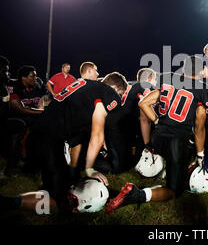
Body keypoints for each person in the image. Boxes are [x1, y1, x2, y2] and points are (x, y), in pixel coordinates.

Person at [0, 71, 126, 213]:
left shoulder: (85, 84)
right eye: (120, 94)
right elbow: (96, 136)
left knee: (61, 181)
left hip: (39, 133)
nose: (118, 98)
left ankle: (59, 180)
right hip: (49, 138)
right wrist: (90, 169)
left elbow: (84, 129)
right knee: (59, 201)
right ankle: (6, 204)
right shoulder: (108, 93)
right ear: (115, 88)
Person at [105, 55, 207, 213]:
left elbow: (143, 103)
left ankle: (169, 169)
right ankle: (136, 194)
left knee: (179, 155)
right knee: (175, 191)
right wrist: (201, 154)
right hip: (176, 142)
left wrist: (157, 121)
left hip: (157, 137)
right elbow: (199, 126)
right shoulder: (201, 88)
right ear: (199, 70)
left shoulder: (168, 78)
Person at [95, 68, 157, 173]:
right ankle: (90, 161)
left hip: (121, 131)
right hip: (115, 132)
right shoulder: (140, 87)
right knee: (118, 169)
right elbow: (144, 117)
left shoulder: (134, 88)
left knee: (128, 165)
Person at [5, 65, 46, 176]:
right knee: (20, 125)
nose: (35, 78)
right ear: (24, 78)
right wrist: (42, 112)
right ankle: (12, 164)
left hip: (21, 116)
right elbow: (19, 109)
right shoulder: (14, 86)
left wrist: (41, 109)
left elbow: (43, 98)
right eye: (32, 76)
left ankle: (31, 157)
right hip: (8, 117)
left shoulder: (31, 86)